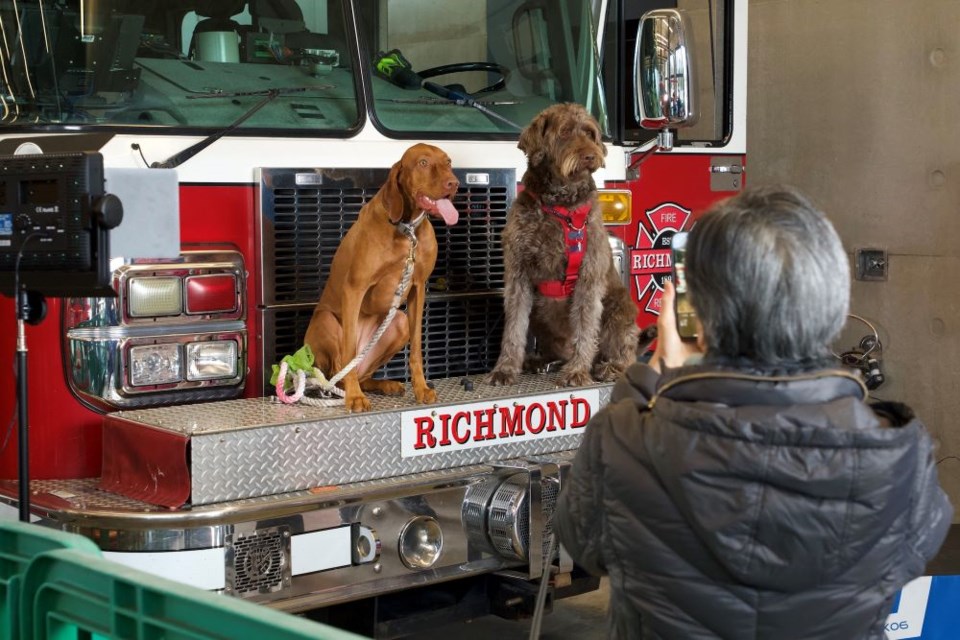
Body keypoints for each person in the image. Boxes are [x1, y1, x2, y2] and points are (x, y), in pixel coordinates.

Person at [553, 185, 953, 640]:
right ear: (831, 301)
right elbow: (914, 550)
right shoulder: (898, 453)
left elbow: (582, 542)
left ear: (695, 313)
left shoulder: (625, 439)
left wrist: (652, 375)